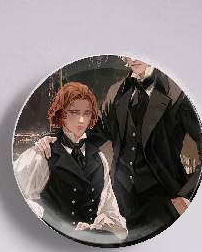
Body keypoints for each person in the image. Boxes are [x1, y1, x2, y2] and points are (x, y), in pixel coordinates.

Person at [34, 58, 202, 241]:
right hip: (121, 203)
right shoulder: (116, 91)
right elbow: (93, 134)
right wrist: (54, 140)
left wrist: (185, 197)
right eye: (129, 54)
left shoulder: (177, 92)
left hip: (164, 202)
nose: (133, 59)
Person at [13, 81, 127, 241]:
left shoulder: (99, 158)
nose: (81, 120)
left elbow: (110, 209)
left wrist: (96, 227)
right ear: (61, 114)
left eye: (87, 113)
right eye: (74, 112)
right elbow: (18, 199)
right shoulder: (42, 154)